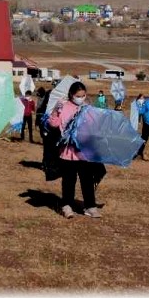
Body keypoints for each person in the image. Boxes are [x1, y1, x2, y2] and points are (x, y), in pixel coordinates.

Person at [48, 82, 104, 219]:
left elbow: (94, 126)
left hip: (84, 152)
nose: (81, 98)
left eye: (83, 95)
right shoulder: (64, 107)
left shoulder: (87, 108)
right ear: (72, 95)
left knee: (87, 180)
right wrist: (55, 110)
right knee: (68, 180)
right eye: (78, 96)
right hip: (67, 152)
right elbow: (53, 123)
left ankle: (90, 206)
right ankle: (67, 205)